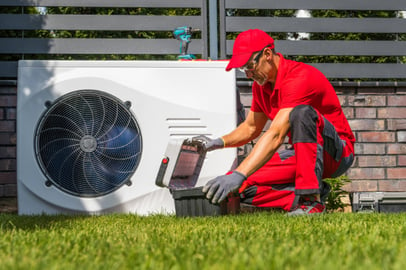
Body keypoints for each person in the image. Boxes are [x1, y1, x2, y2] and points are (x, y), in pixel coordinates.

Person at [192, 29, 355, 216]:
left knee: (301, 113)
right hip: (303, 154)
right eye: (243, 69)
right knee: (239, 187)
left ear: (267, 54)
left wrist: (240, 173)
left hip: (336, 153)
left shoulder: (299, 77)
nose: (248, 74)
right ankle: (303, 198)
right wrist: (219, 142)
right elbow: (251, 127)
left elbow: (276, 134)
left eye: (249, 66)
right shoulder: (261, 86)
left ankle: (311, 201)